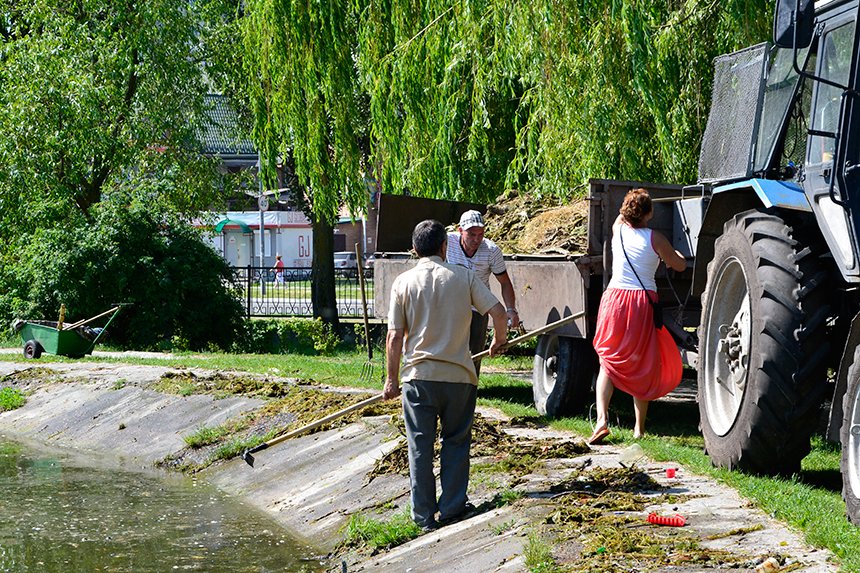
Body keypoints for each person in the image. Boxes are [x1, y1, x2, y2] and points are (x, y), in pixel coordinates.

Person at [384, 219, 508, 531]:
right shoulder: (464, 277)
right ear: (444, 247)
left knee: (420, 447)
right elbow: (498, 312)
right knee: (456, 442)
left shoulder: (403, 282)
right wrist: (499, 340)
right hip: (459, 377)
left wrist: (391, 379)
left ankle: (424, 517)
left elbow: (394, 337)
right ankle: (452, 508)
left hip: (419, 378)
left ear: (414, 249)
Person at [589, 188, 687, 444]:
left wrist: (630, 205)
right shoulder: (655, 238)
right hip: (640, 302)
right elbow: (679, 265)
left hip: (613, 299)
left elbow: (621, 219)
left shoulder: (618, 230)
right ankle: (639, 429)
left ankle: (601, 420)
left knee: (608, 361)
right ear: (649, 214)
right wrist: (676, 256)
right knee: (642, 362)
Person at [447, 210, 519, 375]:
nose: (476, 239)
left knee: (474, 355)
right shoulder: (446, 243)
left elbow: (505, 282)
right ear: (460, 230)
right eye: (471, 234)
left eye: (480, 234)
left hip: (478, 307)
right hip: (451, 306)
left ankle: (469, 391)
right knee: (450, 352)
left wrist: (510, 309)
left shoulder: (491, 250)